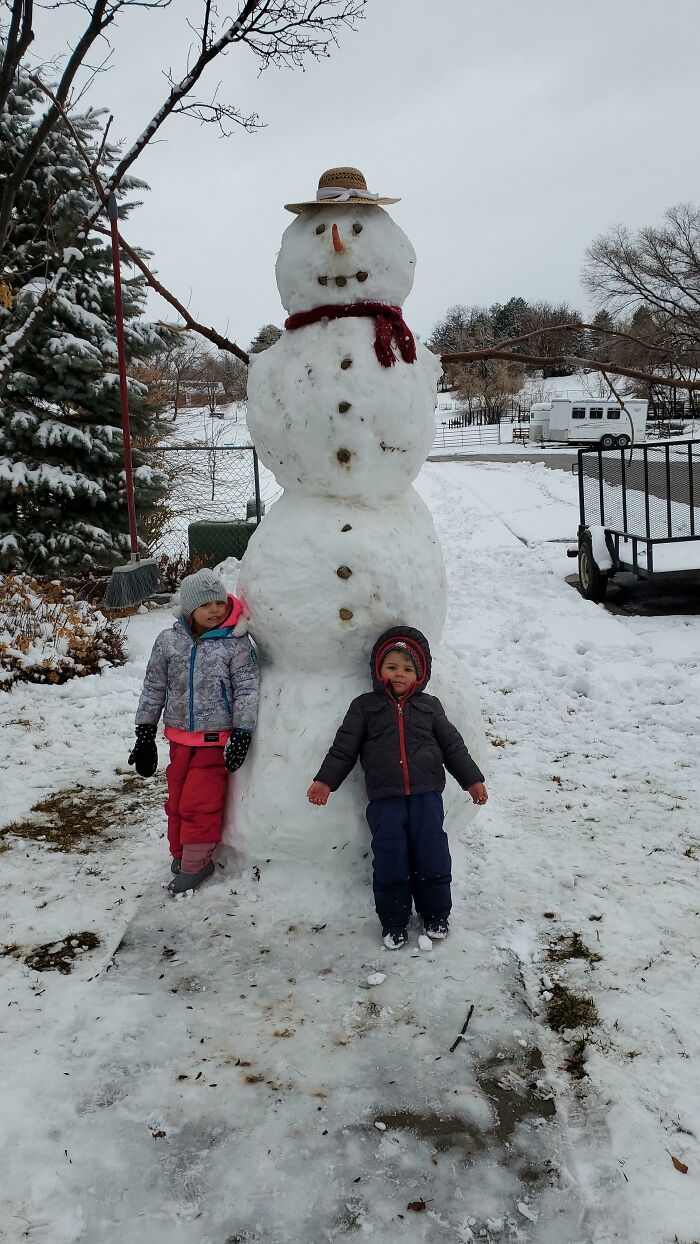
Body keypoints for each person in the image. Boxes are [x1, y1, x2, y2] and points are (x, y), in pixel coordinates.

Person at [307, 626, 487, 949]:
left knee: (433, 853)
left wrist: (472, 780)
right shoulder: (365, 707)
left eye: (407, 669)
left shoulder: (430, 707)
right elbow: (344, 748)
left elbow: (453, 747)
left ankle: (436, 914)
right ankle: (394, 921)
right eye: (392, 667)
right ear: (379, 669)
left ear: (419, 675)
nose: (399, 674)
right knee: (391, 858)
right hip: (384, 800)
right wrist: (325, 781)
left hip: (427, 797)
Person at [128, 568, 259, 893]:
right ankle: (181, 852)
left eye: (219, 601)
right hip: (178, 739)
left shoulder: (236, 644)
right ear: (189, 610)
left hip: (216, 742)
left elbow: (247, 689)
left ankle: (197, 863)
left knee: (199, 803)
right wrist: (145, 732)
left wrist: (242, 732)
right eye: (206, 605)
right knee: (176, 801)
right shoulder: (168, 642)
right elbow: (153, 687)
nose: (215, 609)